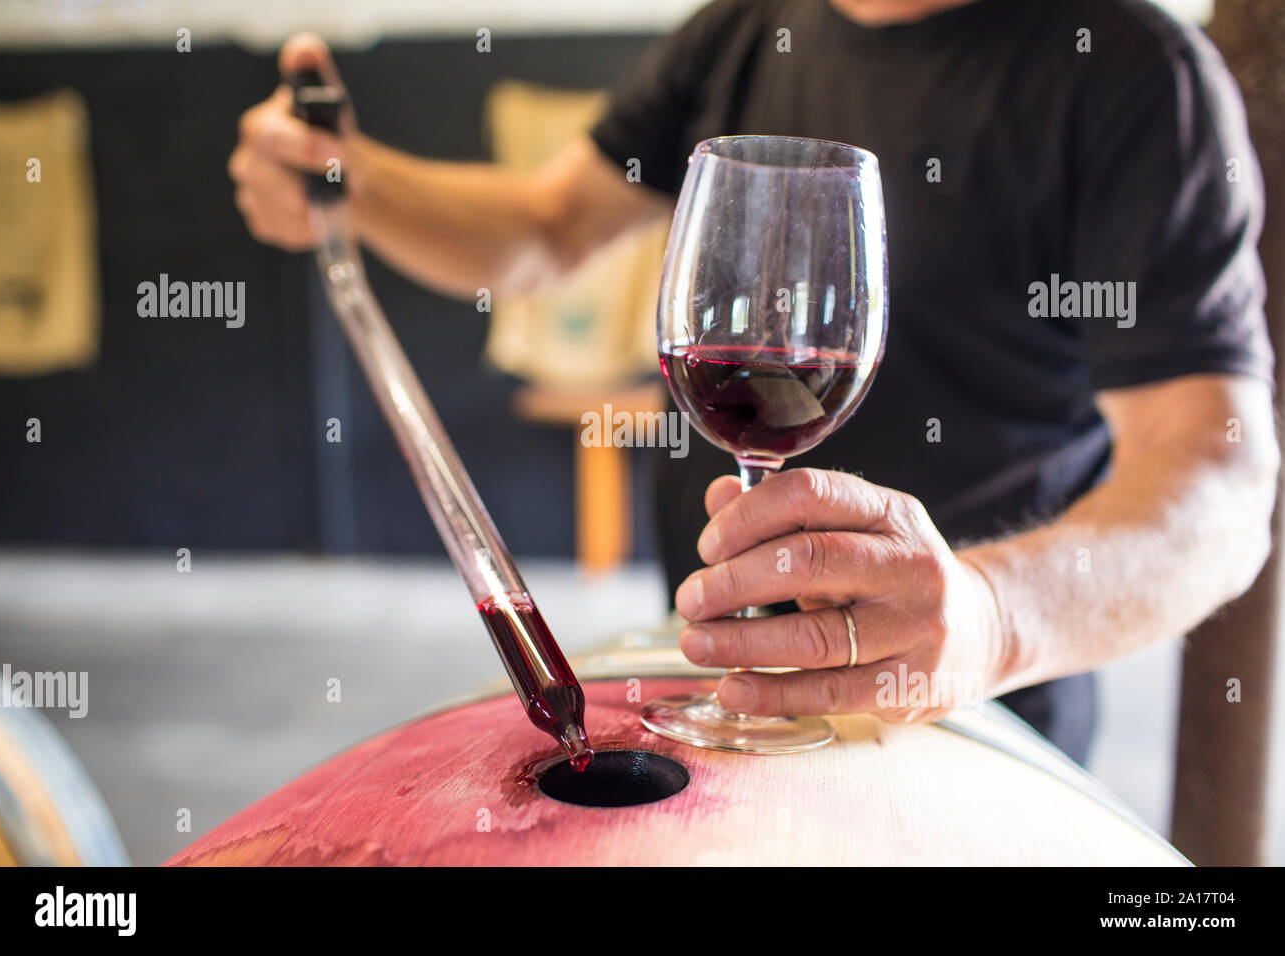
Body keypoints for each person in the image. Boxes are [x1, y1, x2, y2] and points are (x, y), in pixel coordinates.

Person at [227, 0, 1278, 764]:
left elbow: (1220, 491)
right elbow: (543, 231)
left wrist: (991, 614)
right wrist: (350, 187)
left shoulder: (1135, 74)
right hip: (710, 708)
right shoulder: (742, 28)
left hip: (970, 733)